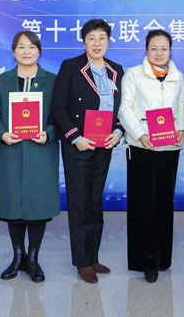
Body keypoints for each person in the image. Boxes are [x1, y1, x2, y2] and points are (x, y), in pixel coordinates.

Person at [52, 19, 124, 284]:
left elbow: (121, 107)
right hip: (79, 146)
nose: (97, 43)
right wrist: (75, 137)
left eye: (102, 38)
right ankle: (82, 262)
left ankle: (93, 256)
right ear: (84, 41)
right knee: (79, 203)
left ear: (108, 41)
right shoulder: (71, 67)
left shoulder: (116, 70)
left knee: (95, 202)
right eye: (91, 38)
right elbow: (58, 108)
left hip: (104, 145)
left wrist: (118, 132)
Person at [0, 30, 59, 283]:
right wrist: (2, 133)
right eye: (21, 47)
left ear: (39, 51)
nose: (27, 52)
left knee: (38, 205)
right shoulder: (3, 80)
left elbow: (59, 115)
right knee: (13, 206)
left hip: (41, 152)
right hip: (12, 151)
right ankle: (18, 257)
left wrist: (48, 133)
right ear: (13, 52)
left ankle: (33, 259)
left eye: (32, 47)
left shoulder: (52, 80)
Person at [118, 29, 184, 283]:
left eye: (164, 49)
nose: (159, 53)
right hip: (141, 147)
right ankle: (145, 260)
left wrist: (182, 128)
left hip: (169, 147)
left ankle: (163, 258)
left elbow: (181, 107)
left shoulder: (178, 76)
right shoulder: (133, 74)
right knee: (142, 204)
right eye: (154, 48)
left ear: (170, 51)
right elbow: (124, 108)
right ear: (146, 50)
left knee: (164, 203)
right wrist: (139, 134)